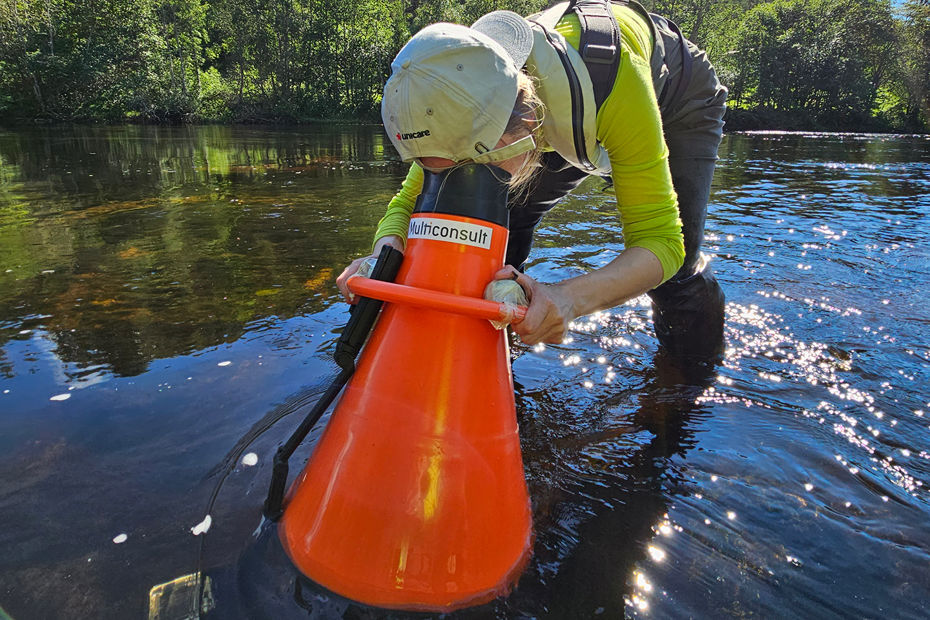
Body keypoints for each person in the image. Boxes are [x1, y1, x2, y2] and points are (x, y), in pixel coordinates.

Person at [336, 0, 728, 358]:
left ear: (524, 129)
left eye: (472, 166)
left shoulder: (614, 86)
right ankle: (491, 340)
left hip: (676, 97)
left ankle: (686, 388)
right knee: (499, 216)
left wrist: (566, 299)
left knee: (676, 274)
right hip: (553, 110)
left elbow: (661, 242)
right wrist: (383, 256)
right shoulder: (458, 90)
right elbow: (410, 202)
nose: (456, 179)